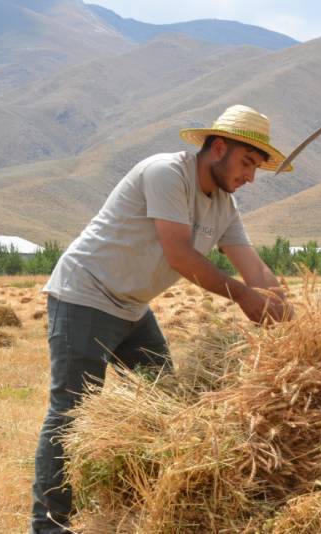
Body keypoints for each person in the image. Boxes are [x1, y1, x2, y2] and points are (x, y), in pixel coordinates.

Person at [30, 105, 293, 534]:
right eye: (247, 162)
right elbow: (180, 255)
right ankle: (49, 526)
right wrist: (244, 297)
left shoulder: (224, 207)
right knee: (71, 413)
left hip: (132, 309)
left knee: (166, 403)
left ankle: (142, 503)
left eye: (257, 168)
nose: (250, 177)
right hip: (85, 296)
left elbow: (254, 268)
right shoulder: (167, 173)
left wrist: (288, 312)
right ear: (219, 147)